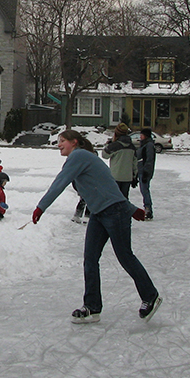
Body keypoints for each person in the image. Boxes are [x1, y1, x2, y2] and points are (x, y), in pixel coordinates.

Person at [32, 129, 161, 323]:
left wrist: (41, 207)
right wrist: (132, 208)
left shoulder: (79, 156)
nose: (59, 144)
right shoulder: (83, 157)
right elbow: (104, 185)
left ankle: (150, 296)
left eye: (62, 141)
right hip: (99, 213)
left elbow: (60, 182)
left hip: (113, 212)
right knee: (90, 259)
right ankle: (92, 307)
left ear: (74, 142)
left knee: (125, 256)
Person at [101, 122, 137, 199]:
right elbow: (135, 163)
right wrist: (134, 176)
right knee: (124, 199)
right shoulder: (132, 147)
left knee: (114, 198)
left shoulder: (115, 146)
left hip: (115, 176)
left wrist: (108, 145)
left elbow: (104, 155)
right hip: (127, 177)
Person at [136, 127, 157, 220]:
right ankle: (147, 208)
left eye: (142, 135)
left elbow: (149, 160)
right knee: (143, 190)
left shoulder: (148, 145)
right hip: (141, 170)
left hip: (145, 172)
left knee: (145, 190)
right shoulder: (144, 145)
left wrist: (146, 172)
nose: (140, 136)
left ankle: (148, 209)